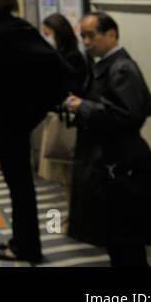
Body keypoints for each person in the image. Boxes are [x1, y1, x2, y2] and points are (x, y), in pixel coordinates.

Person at [0, 0, 69, 264]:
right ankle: (21, 239)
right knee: (19, 186)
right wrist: (33, 110)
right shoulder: (20, 29)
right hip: (15, 122)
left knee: (20, 187)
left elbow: (57, 71)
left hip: (8, 125)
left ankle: (28, 248)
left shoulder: (1, 36)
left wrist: (29, 111)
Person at [63, 12, 151, 267]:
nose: (86, 41)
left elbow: (126, 116)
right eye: (82, 36)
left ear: (111, 35)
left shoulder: (121, 68)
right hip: (110, 163)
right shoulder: (106, 67)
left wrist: (82, 106)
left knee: (125, 242)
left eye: (91, 35)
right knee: (117, 240)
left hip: (121, 167)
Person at [35, 14, 87, 195]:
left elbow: (72, 86)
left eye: (49, 34)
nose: (48, 39)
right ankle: (70, 212)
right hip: (60, 115)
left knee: (69, 173)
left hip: (69, 118)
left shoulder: (72, 57)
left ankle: (72, 215)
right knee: (65, 177)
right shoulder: (63, 54)